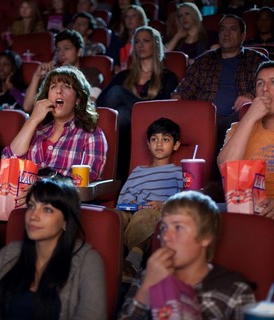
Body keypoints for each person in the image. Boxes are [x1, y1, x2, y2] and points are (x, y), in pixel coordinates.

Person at [0, 176, 106, 319]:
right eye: (31, 206)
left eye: (47, 210)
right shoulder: (11, 253)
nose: (34, 215)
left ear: (66, 221)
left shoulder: (87, 260)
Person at [117, 191, 256, 319]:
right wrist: (146, 288)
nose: (166, 237)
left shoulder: (233, 290)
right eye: (164, 228)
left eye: (178, 227)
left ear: (205, 237)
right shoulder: (149, 276)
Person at [2, 65, 107, 198]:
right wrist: (33, 119)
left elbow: (88, 179)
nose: (58, 91)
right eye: (53, 87)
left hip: (61, 204)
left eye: (66, 86)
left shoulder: (91, 135)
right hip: (21, 200)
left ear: (78, 99)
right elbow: (8, 163)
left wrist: (41, 188)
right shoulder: (36, 131)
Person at [171, 14, 269, 154]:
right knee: (207, 121)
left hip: (241, 116)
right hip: (206, 117)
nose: (226, 33)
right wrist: (178, 98)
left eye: (233, 29)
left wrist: (252, 96)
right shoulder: (203, 61)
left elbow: (270, 87)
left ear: (243, 36)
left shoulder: (257, 60)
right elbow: (184, 90)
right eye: (223, 29)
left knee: (231, 124)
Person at [97, 26, 178, 182]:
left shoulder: (167, 76)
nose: (141, 45)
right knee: (123, 114)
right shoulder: (124, 75)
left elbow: (168, 107)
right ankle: (117, 177)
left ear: (155, 45)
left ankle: (92, 134)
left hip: (152, 119)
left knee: (116, 92)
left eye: (146, 41)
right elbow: (101, 102)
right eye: (137, 41)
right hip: (126, 125)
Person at [117, 117, 183, 283]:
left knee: (145, 216)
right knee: (113, 216)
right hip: (132, 210)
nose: (159, 144)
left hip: (156, 212)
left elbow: (183, 199)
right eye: (154, 139)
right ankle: (106, 257)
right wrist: (129, 203)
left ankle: (132, 261)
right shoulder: (138, 171)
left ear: (176, 145)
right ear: (148, 144)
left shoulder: (178, 172)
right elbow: (126, 193)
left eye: (165, 140)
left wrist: (164, 204)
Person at [218, 60, 274, 219]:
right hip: (243, 207)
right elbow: (225, 168)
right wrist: (249, 117)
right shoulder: (240, 128)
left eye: (273, 82)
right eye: (260, 84)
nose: (265, 89)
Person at [23, 29, 104, 112]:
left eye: (66, 48)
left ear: (79, 52)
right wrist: (37, 76)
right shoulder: (53, 74)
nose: (61, 54)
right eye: (58, 49)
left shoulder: (92, 73)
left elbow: (91, 104)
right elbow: (27, 107)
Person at [107, 5, 148, 73]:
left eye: (133, 16)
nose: (129, 19)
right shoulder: (117, 41)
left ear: (141, 20)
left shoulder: (149, 40)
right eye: (127, 16)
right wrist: (116, 67)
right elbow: (112, 59)